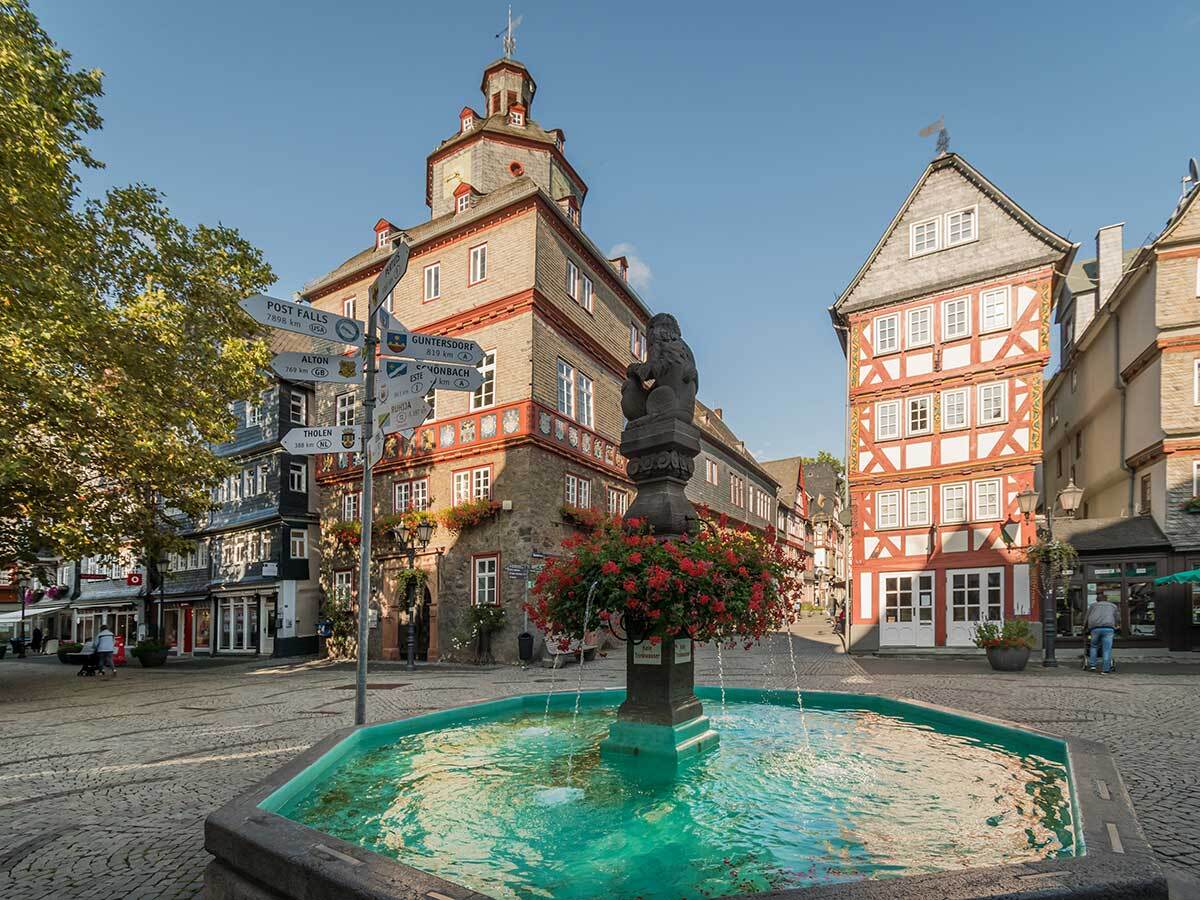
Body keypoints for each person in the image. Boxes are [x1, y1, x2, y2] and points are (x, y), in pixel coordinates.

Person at [1085, 597, 1120, 674]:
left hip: (1095, 628)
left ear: (1097, 600)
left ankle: (1093, 665)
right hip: (1108, 628)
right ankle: (1105, 670)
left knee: (1094, 646)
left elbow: (1087, 617)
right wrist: (1117, 625)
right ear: (1106, 599)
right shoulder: (1113, 606)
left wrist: (1085, 627)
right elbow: (1117, 618)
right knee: (1107, 649)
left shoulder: (1093, 606)